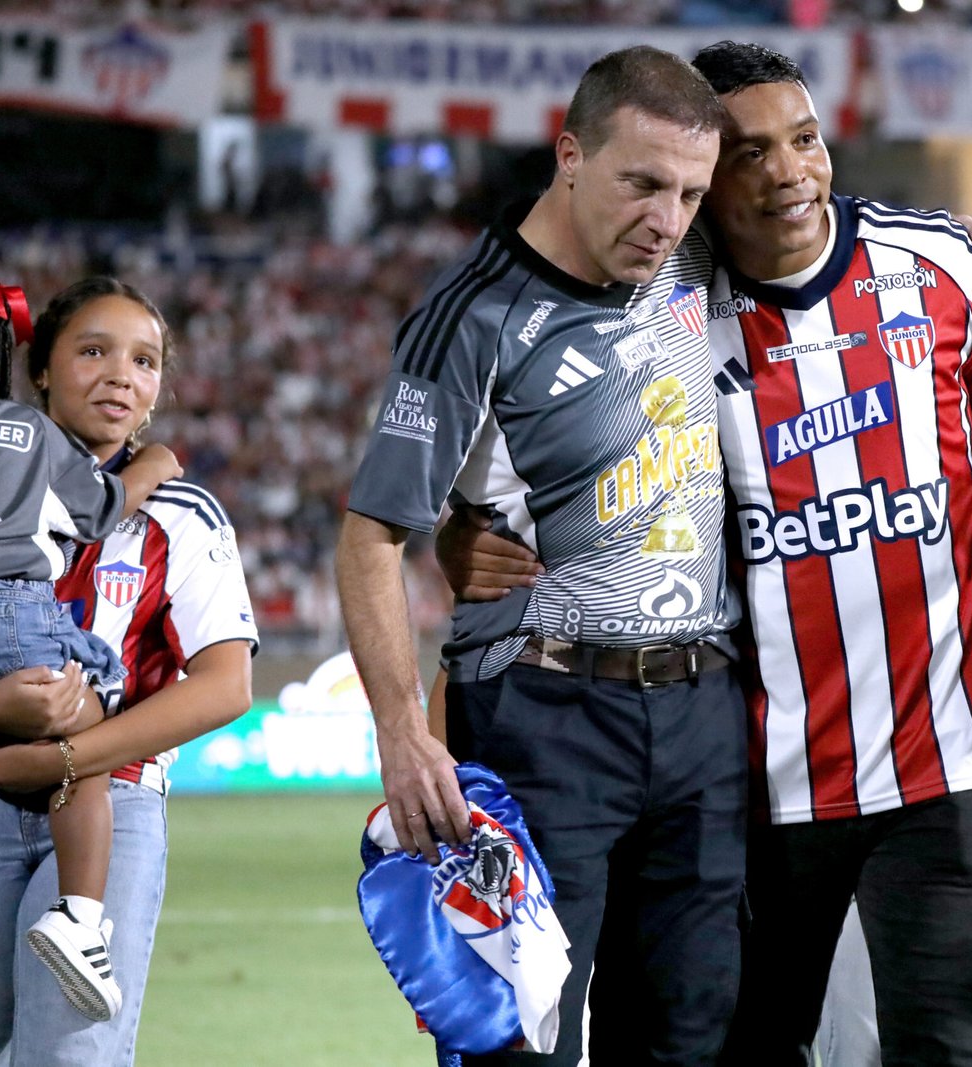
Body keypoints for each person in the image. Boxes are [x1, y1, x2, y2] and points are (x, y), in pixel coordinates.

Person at [441, 39, 972, 1066]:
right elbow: (519, 469)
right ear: (702, 180)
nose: (790, 170)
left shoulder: (941, 264)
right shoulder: (654, 315)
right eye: (749, 152)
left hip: (954, 752)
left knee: (945, 1047)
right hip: (757, 781)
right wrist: (461, 538)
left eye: (805, 139)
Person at [336, 47, 745, 1066]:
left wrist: (968, 253)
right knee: (522, 1043)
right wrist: (401, 729)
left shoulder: (692, 255)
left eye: (691, 193)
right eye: (642, 183)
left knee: (692, 1039)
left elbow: (811, 222)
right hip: (541, 719)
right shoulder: (472, 316)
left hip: (703, 713)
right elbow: (372, 535)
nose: (667, 218)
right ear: (570, 155)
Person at [0, 276, 259, 1067]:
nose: (120, 375)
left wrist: (66, 755)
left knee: (71, 1055)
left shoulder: (182, 513)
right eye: (93, 351)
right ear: (39, 369)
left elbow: (227, 684)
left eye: (144, 360)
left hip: (112, 791)